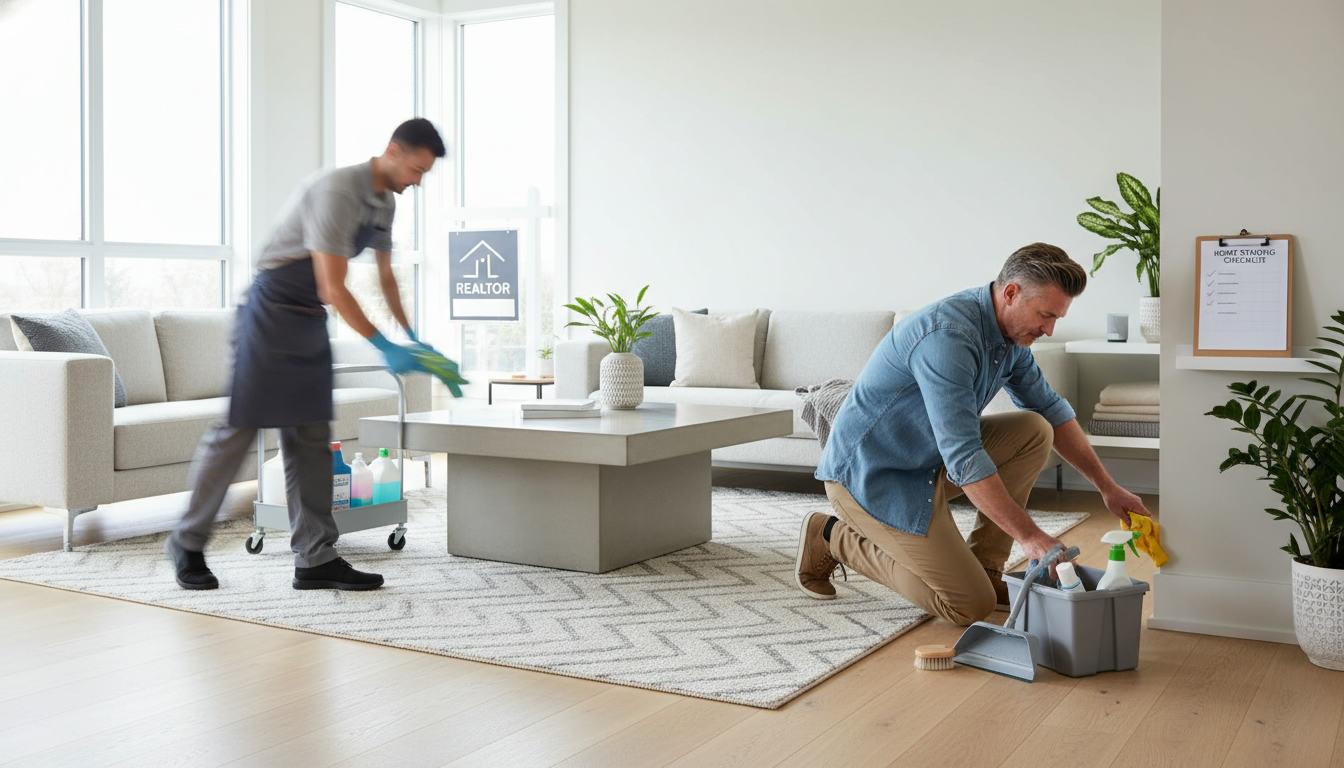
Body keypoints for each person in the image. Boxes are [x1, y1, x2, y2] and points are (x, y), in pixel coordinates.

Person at [795, 243, 1153, 625]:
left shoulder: (1010, 335)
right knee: (968, 606)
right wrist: (1031, 537)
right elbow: (965, 457)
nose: (1049, 330)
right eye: (1046, 315)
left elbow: (1051, 410)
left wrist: (1108, 487)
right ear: (1011, 293)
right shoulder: (948, 337)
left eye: (1057, 318)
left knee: (1035, 429)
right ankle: (832, 536)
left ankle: (985, 568)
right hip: (873, 477)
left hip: (930, 463)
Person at [165, 118, 447, 592]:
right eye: (416, 169)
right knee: (239, 429)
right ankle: (187, 542)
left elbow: (385, 278)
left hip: (308, 318)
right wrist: (381, 346)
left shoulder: (385, 201)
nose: (417, 181)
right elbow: (333, 286)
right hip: (271, 311)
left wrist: (413, 337)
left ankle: (315, 558)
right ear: (394, 150)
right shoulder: (338, 190)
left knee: (312, 439)